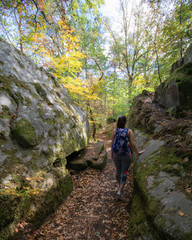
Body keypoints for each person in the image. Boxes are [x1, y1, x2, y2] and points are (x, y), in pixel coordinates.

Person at [111, 115, 145, 198]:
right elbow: (132, 144)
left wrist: (112, 153)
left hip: (116, 155)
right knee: (124, 172)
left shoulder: (114, 131)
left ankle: (119, 188)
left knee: (118, 171)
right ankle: (120, 190)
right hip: (126, 155)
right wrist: (137, 152)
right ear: (125, 122)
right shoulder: (129, 131)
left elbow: (112, 143)